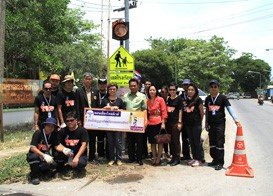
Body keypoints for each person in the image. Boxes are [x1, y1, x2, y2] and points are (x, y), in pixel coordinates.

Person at [205, 80, 240, 170]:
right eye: (212, 87)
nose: (213, 89)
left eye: (215, 87)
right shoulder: (208, 98)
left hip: (220, 124)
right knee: (212, 143)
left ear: (218, 88)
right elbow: (207, 112)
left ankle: (220, 162)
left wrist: (235, 119)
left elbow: (229, 108)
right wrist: (206, 123)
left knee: (219, 142)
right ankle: (214, 160)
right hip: (211, 124)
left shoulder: (223, 98)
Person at [26, 117, 71, 185]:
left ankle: (41, 172)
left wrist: (64, 149)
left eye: (52, 126)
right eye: (48, 125)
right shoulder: (38, 133)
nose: (50, 128)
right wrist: (43, 155)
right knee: (33, 157)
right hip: (36, 154)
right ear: (45, 125)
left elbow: (57, 146)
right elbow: (32, 148)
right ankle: (34, 176)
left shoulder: (54, 134)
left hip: (46, 155)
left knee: (53, 166)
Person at [101, 83, 126, 166]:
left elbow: (125, 111)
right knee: (110, 142)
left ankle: (119, 159)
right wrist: (104, 108)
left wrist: (119, 109)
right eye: (110, 89)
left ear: (116, 90)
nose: (112, 90)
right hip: (108, 125)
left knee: (118, 142)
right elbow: (98, 111)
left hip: (118, 125)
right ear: (108, 90)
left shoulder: (120, 100)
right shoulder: (104, 100)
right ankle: (111, 159)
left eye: (114, 89)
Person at [123, 78, 147, 165]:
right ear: (129, 86)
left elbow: (144, 109)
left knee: (139, 141)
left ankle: (139, 159)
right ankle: (131, 158)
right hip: (128, 121)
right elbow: (123, 108)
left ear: (138, 86)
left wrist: (145, 121)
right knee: (130, 140)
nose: (132, 87)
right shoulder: (125, 96)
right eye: (131, 86)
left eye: (134, 85)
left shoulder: (142, 96)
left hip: (139, 121)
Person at [182, 83, 204, 167]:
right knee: (191, 142)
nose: (190, 91)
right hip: (188, 125)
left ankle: (199, 159)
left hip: (196, 124)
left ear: (195, 91)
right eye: (189, 90)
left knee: (197, 142)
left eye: (192, 90)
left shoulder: (198, 100)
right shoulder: (187, 100)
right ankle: (194, 158)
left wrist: (199, 122)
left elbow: (202, 113)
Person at [146, 85, 167, 166]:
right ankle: (154, 157)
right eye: (150, 90)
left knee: (160, 142)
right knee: (152, 142)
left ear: (156, 91)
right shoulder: (147, 101)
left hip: (159, 123)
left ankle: (159, 158)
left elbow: (164, 112)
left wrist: (163, 123)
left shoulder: (160, 99)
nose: (152, 91)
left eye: (153, 90)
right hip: (150, 123)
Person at [166, 83, 183, 166]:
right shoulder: (168, 98)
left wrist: (179, 122)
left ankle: (177, 158)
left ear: (176, 90)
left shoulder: (179, 99)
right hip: (168, 122)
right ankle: (173, 157)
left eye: (174, 90)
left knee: (176, 140)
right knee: (170, 140)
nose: (172, 91)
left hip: (176, 123)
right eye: (170, 90)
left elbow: (180, 110)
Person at [179, 79, 192, 161]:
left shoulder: (193, 96)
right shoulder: (180, 97)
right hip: (183, 120)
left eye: (187, 85)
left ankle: (196, 156)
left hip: (191, 121)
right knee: (184, 138)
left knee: (191, 139)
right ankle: (186, 155)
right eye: (184, 85)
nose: (186, 87)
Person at [159, 85, 170, 157]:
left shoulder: (170, 99)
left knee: (168, 137)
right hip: (161, 121)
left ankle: (169, 152)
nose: (164, 93)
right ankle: (164, 152)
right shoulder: (159, 99)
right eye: (162, 92)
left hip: (169, 121)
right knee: (162, 137)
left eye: (166, 92)